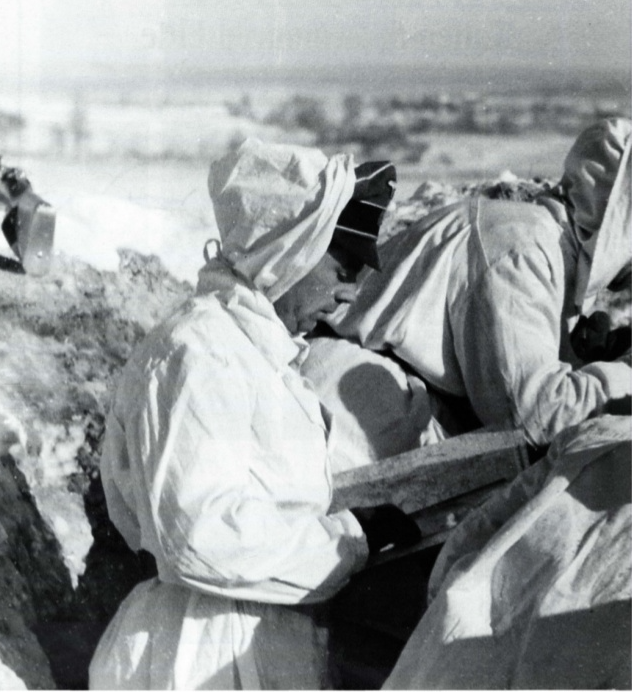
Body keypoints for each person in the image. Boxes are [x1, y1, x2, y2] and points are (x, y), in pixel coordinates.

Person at [88, 138, 419, 690]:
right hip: (197, 651)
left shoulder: (258, 354)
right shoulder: (198, 353)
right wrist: (348, 540)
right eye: (342, 267)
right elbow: (196, 538)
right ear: (288, 253)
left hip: (259, 643)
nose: (349, 292)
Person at [327, 117, 632, 448]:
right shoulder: (521, 250)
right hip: (360, 406)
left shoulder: (548, 248)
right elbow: (533, 418)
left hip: (394, 397)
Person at [383, 412, 631, 689]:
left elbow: (474, 531)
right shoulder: (601, 435)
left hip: (455, 656)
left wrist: (443, 608)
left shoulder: (602, 435)